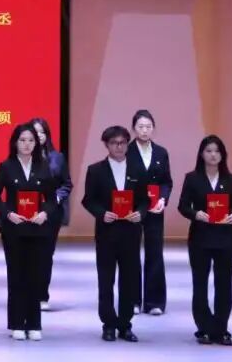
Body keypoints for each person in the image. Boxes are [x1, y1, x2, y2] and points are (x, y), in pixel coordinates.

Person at [0, 122, 57, 341]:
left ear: (36, 144)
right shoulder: (6, 166)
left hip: (37, 229)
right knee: (16, 275)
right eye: (22, 140)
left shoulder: (43, 167)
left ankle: (34, 323)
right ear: (15, 143)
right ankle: (17, 323)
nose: (27, 144)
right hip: (14, 229)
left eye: (31, 140)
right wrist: (8, 214)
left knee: (35, 276)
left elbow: (52, 199)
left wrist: (45, 213)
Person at [81, 125, 147, 343]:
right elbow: (88, 200)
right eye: (114, 143)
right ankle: (108, 323)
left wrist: (140, 213)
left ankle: (125, 324)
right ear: (106, 145)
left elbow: (145, 200)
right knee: (106, 279)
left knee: (129, 279)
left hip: (130, 231)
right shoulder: (96, 170)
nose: (118, 147)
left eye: (122, 143)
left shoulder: (138, 169)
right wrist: (102, 213)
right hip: (107, 232)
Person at [177, 135, 232, 346]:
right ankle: (204, 328)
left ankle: (221, 329)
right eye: (209, 151)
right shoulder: (192, 178)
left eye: (217, 151)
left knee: (224, 284)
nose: (213, 155)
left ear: (223, 155)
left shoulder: (231, 180)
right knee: (200, 284)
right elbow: (182, 206)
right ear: (201, 154)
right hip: (200, 238)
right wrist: (195, 214)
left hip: (225, 239)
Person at [127, 109, 172, 316]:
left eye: (148, 126)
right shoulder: (126, 152)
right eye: (140, 127)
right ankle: (132, 300)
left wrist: (163, 199)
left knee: (155, 252)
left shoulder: (161, 152)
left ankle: (155, 301)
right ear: (134, 129)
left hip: (155, 209)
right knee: (131, 253)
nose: (144, 130)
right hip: (132, 210)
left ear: (153, 128)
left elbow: (166, 182)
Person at [30, 118, 72, 310]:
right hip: (28, 212)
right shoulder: (22, 157)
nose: (39, 136)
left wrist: (56, 198)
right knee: (29, 254)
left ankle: (41, 296)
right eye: (35, 132)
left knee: (46, 255)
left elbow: (66, 184)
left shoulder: (57, 157)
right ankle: (27, 295)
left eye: (42, 132)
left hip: (51, 213)